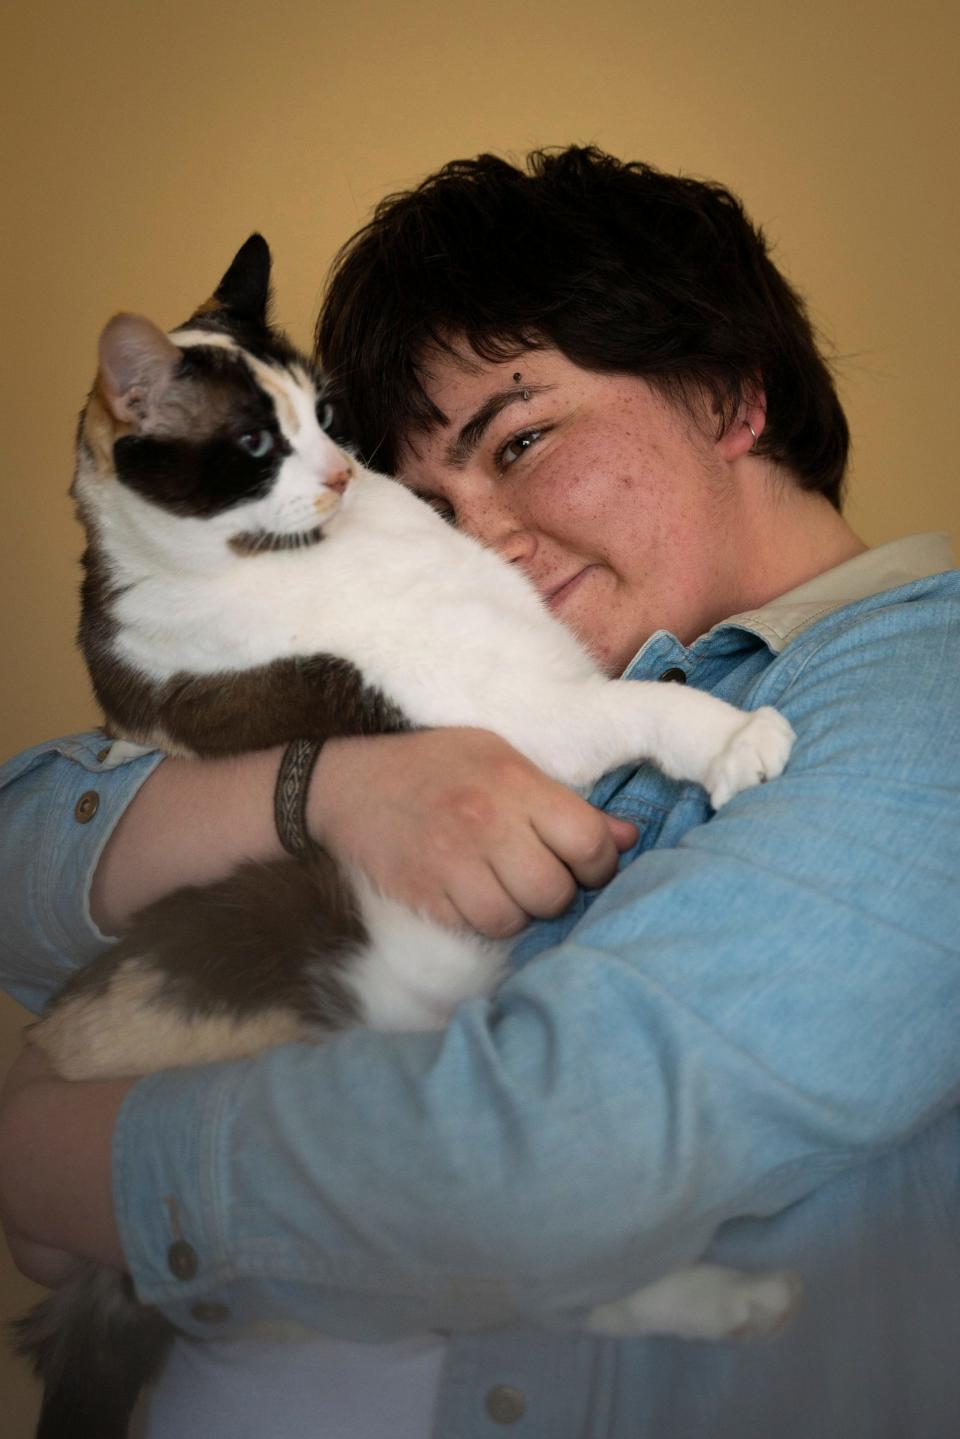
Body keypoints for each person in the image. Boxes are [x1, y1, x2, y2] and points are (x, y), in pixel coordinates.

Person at [1, 146, 959, 1439]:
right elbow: (25, 847)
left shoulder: (925, 690)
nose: (483, 538)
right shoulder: (485, 683)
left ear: (733, 396)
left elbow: (557, 1156)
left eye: (520, 441)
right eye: (432, 498)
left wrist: (56, 1159)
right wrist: (324, 795)